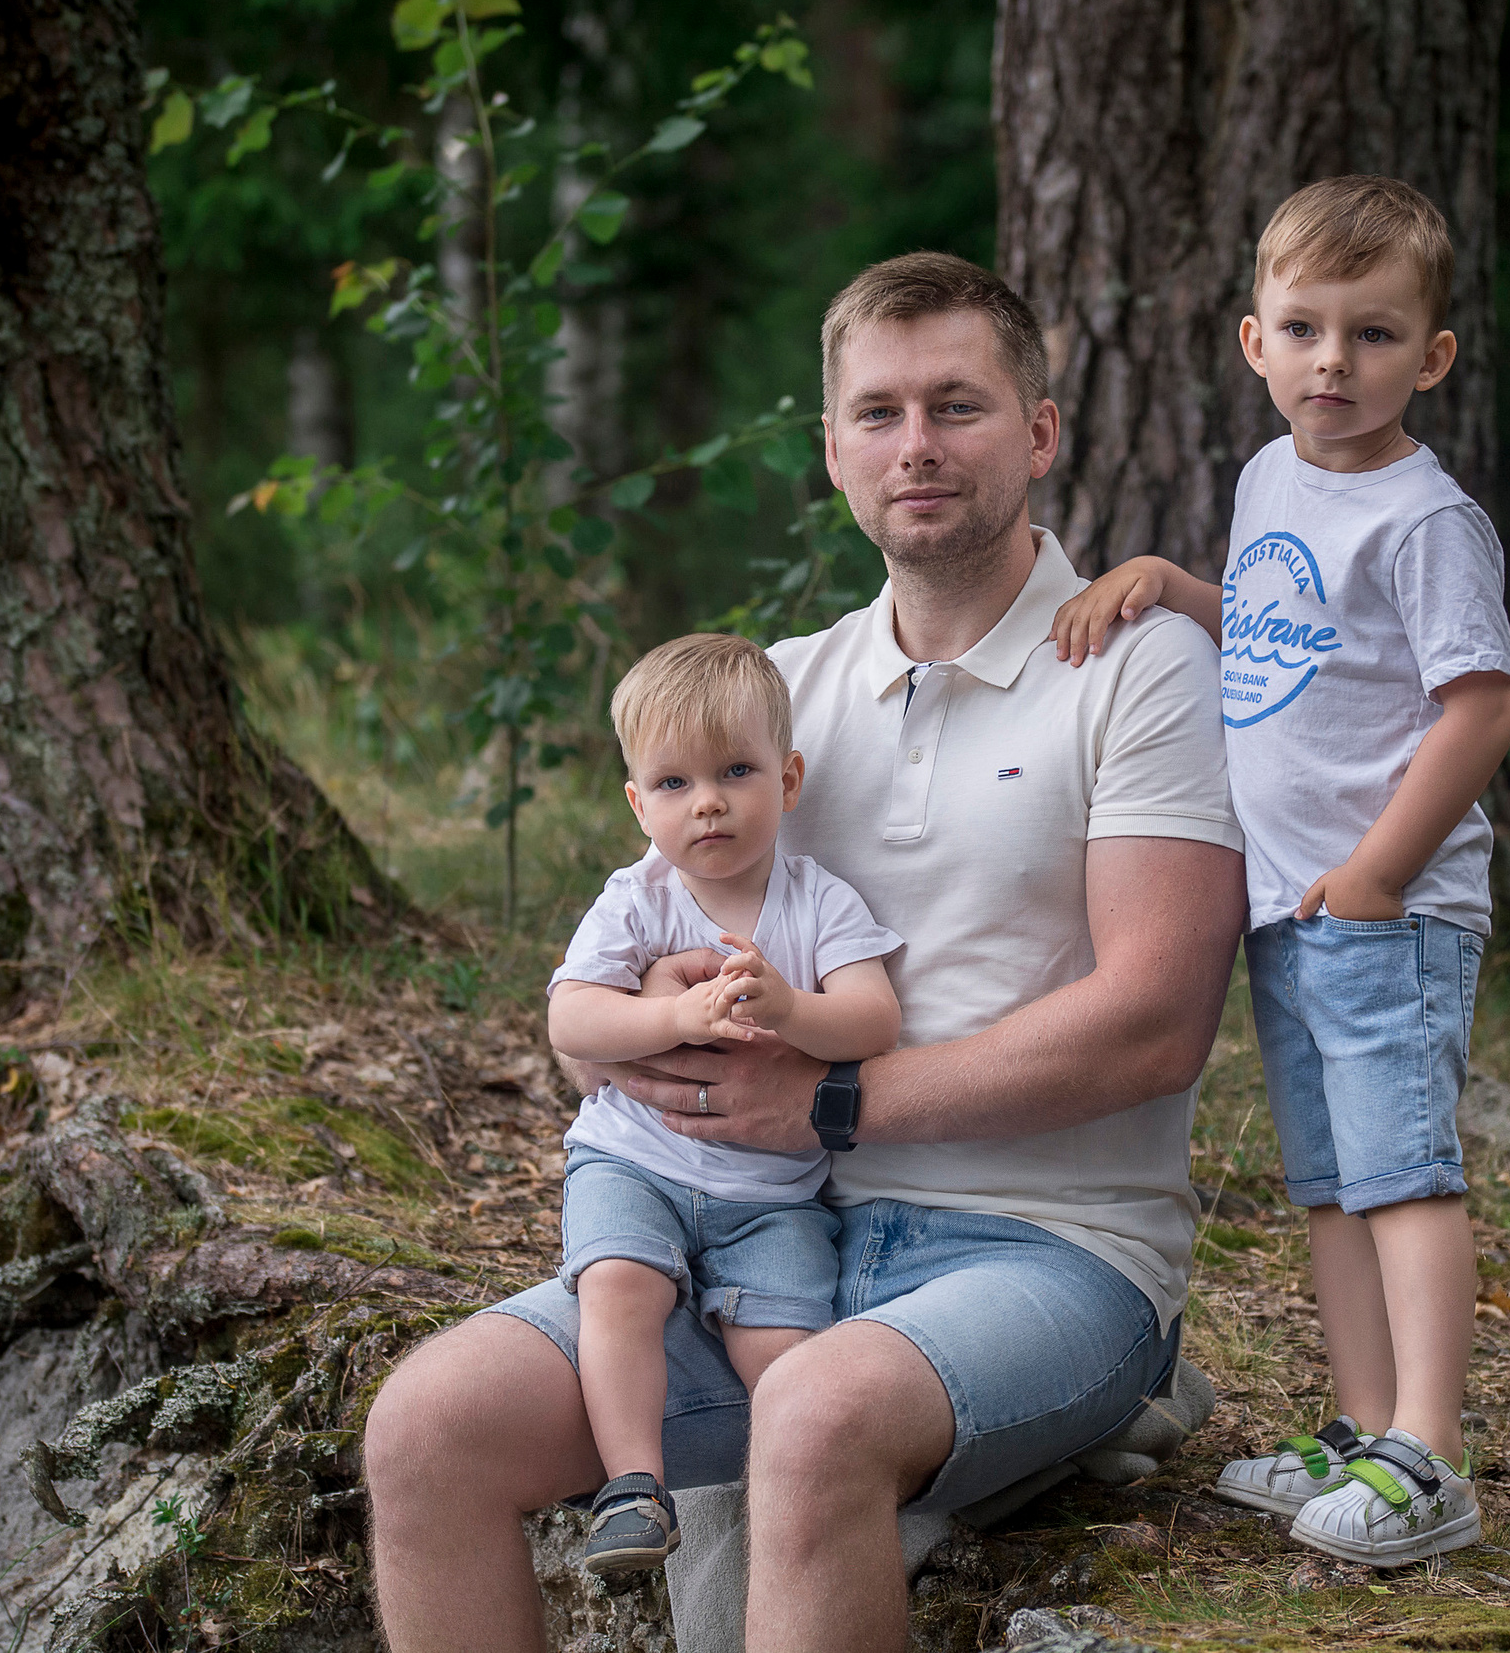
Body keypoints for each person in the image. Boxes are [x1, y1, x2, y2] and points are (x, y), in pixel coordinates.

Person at [363, 250, 1247, 1653]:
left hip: (1055, 1252)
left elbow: (1157, 1019)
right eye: (880, 412)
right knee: (428, 1423)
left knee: (819, 1408)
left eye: (957, 405)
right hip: (770, 1239)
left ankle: (1091, 1407)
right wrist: (659, 1000)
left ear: (1037, 432)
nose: (919, 445)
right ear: (831, 450)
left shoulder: (1140, 670)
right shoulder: (784, 694)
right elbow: (652, 926)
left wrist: (833, 1098)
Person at [1050, 174, 1510, 1568]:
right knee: (1330, 1180)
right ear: (1254, 342)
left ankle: (1428, 1449)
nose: (1335, 361)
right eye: (1305, 328)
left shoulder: (1426, 520)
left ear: (1429, 359)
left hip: (1385, 908)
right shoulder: (1272, 479)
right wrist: (1168, 583)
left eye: (1373, 335)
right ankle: (1366, 1427)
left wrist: (1380, 868)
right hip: (1291, 904)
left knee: (1403, 1175)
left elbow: (1481, 704)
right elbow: (1279, 631)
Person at [541, 632, 904, 1575]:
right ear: (637, 804)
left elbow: (873, 1017)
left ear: (787, 781)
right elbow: (573, 1017)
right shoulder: (639, 899)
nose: (706, 800)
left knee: (786, 1348)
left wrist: (790, 1006)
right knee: (619, 1285)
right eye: (673, 783)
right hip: (634, 1162)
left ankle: (809, 1507)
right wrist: (668, 1010)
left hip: (772, 1193)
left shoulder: (816, 901)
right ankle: (632, 1484)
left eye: (735, 770)